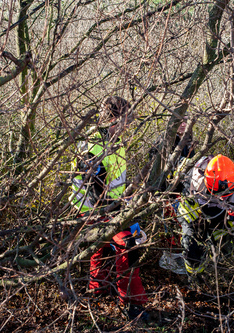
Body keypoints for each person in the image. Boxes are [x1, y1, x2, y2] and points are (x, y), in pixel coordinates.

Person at [69, 96, 148, 319]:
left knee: (101, 247)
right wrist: (126, 219)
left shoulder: (113, 140)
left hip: (109, 204)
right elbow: (98, 194)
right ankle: (132, 304)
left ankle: (98, 290)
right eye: (126, 120)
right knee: (129, 244)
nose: (129, 125)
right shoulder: (92, 147)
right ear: (115, 119)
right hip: (93, 209)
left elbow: (113, 185)